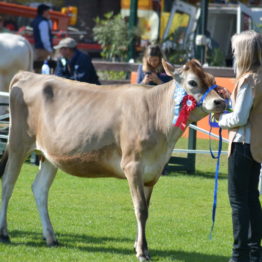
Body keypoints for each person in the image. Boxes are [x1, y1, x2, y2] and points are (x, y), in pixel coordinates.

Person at [216, 30, 262, 262]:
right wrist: (230, 101)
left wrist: (219, 118)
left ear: (243, 52)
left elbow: (239, 119)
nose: (233, 54)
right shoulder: (260, 76)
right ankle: (255, 252)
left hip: (242, 145)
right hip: (255, 146)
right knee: (251, 198)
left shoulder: (247, 80)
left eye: (235, 51)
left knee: (238, 202)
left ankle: (239, 254)